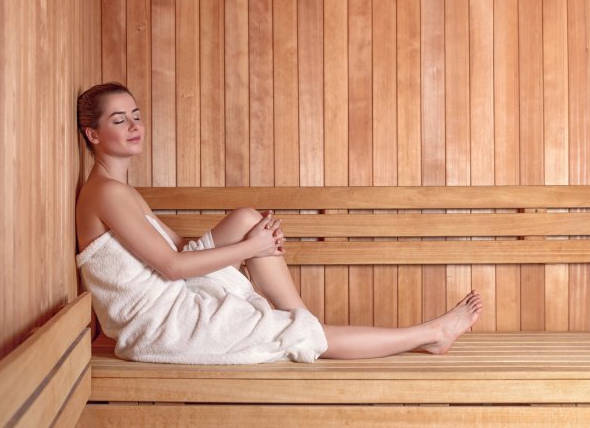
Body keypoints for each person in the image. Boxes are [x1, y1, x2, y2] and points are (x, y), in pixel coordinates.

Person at [75, 82, 483, 364]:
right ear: (93, 134)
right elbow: (172, 266)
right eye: (119, 120)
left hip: (170, 294)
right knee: (254, 241)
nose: (134, 126)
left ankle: (304, 325)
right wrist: (251, 249)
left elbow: (176, 248)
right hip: (163, 325)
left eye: (136, 115)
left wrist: (250, 236)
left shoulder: (119, 189)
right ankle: (430, 335)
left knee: (247, 219)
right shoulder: (107, 194)